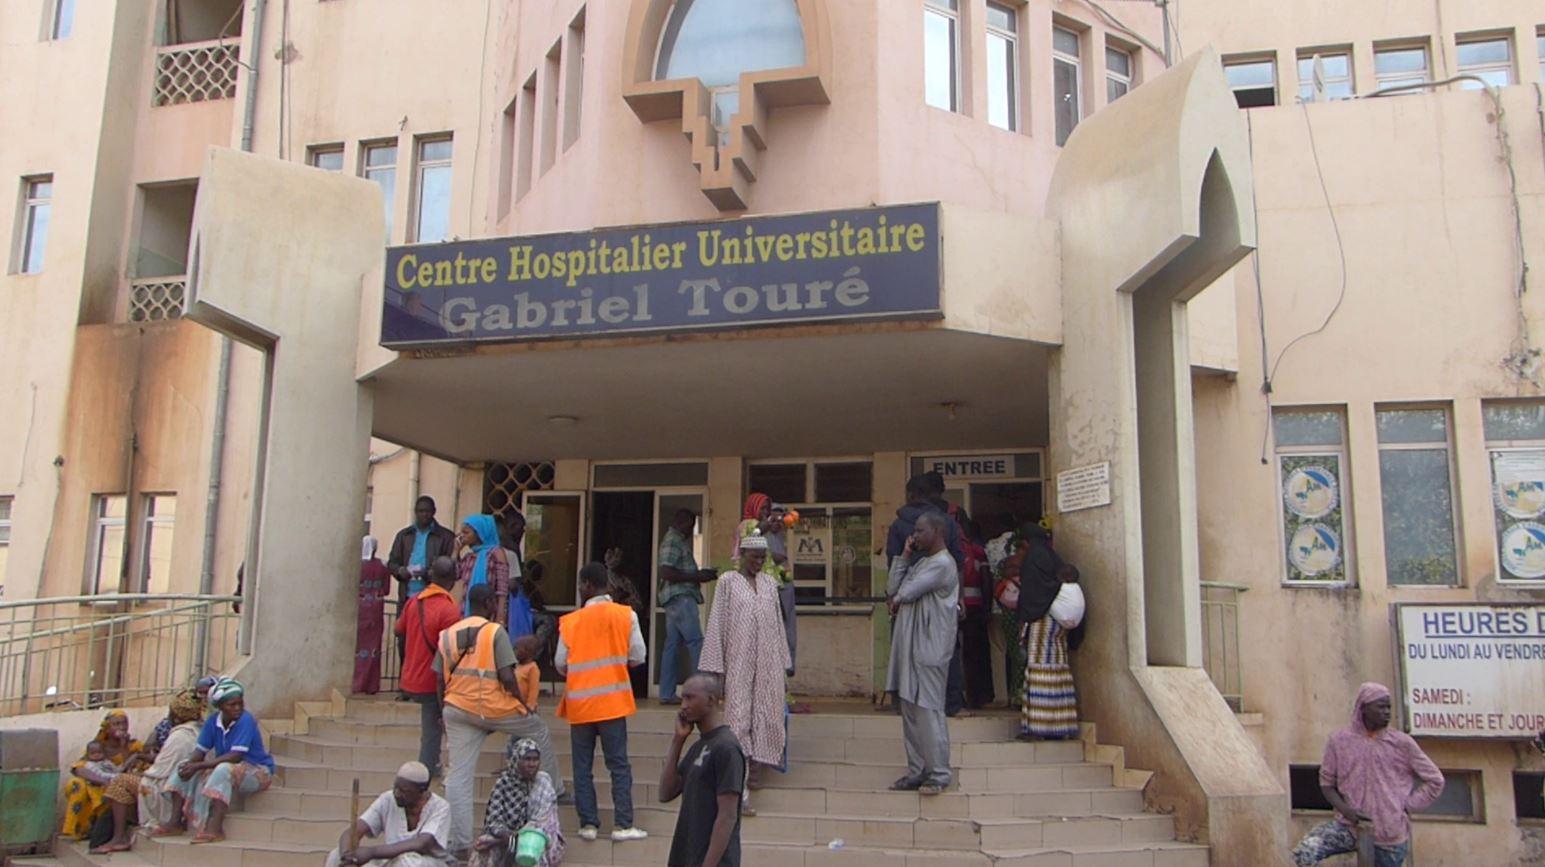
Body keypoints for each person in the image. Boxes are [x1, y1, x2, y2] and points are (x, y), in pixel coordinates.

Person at [438, 584, 564, 857]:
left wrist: (442, 712)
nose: (499, 606)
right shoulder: (495, 632)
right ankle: (556, 789)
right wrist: (522, 704)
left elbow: (439, 679)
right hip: (493, 707)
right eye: (496, 602)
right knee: (538, 729)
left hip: (456, 708)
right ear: (487, 604)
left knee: (458, 777)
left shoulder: (447, 634)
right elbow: (507, 676)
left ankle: (460, 843)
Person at [1291, 683, 1444, 867]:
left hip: (1389, 837)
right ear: (1363, 708)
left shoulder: (1402, 743)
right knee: (1305, 852)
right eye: (1381, 707)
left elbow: (1435, 780)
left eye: (1389, 707)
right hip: (1349, 828)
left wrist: (1406, 806)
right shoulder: (1339, 741)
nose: (1387, 712)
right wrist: (1347, 811)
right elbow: (1327, 783)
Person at [556, 562, 648, 842]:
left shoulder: (570, 621)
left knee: (582, 767)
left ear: (586, 585)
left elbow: (561, 664)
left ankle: (588, 824)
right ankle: (623, 824)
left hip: (580, 705)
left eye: (580, 584)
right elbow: (638, 655)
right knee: (618, 765)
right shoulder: (625, 615)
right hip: (612, 703)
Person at [699, 531, 789, 816]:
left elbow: (778, 625)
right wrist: (715, 670)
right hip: (738, 665)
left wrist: (783, 663)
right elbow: (717, 625)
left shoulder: (769, 584)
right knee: (737, 722)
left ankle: (755, 771)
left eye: (763, 558)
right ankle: (740, 794)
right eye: (754, 557)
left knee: (765, 717)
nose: (759, 562)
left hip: (767, 667)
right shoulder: (727, 583)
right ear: (742, 556)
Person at [884, 511, 959, 795]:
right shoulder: (922, 562)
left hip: (930, 648)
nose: (914, 536)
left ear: (936, 532)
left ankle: (938, 774)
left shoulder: (942, 564)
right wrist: (904, 554)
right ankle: (917, 772)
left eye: (919, 531)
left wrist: (897, 598)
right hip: (909, 647)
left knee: (928, 710)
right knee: (910, 710)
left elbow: (905, 592)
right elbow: (892, 587)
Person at [92, 691, 206, 853]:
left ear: (176, 715)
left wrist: (140, 772)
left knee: (120, 782)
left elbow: (160, 771)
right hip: (184, 787)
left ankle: (118, 839)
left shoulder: (180, 736)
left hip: (167, 789)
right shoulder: (199, 730)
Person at [173, 677, 275, 843]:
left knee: (223, 769)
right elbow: (199, 751)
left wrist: (198, 766)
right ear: (220, 706)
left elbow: (235, 756)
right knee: (183, 765)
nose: (237, 708)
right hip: (233, 768)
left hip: (258, 772)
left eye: (240, 703)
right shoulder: (213, 722)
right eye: (231, 705)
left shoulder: (246, 720)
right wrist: (190, 765)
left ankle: (215, 828)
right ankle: (174, 821)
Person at [662, 673, 745, 867]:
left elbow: (727, 816)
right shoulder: (699, 746)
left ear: (710, 700)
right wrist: (678, 740)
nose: (683, 706)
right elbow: (665, 793)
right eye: (682, 698)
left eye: (690, 698)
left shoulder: (726, 748)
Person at [395, 555, 463, 778]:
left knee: (431, 727)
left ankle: (430, 766)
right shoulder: (449, 610)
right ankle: (426, 771)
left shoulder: (414, 601)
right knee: (433, 730)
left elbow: (398, 629)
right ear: (452, 580)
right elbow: (453, 651)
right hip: (433, 680)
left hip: (411, 677)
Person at [1010, 524, 1078, 741]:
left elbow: (1031, 594)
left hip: (1041, 622)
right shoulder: (1051, 557)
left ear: (1027, 543)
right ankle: (1060, 726)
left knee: (1040, 674)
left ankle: (1039, 728)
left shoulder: (1033, 559)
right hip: (1056, 622)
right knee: (1057, 672)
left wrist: (1023, 620)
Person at [326, 761, 455, 866]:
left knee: (407, 863)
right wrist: (347, 857)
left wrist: (372, 852)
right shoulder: (388, 799)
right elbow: (354, 831)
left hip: (428, 862)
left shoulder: (440, 807)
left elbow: (421, 843)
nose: (397, 794)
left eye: (404, 791)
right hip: (390, 859)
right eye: (395, 788)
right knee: (335, 856)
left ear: (422, 791)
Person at [388, 497, 459, 680]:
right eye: (421, 511)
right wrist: (400, 571)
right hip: (408, 596)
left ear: (434, 512)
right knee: (404, 640)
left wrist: (428, 573)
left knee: (432, 641)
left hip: (432, 596)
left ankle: (432, 681)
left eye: (427, 511)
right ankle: (406, 681)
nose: (424, 515)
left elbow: (450, 568)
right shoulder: (404, 535)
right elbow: (392, 562)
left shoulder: (445, 536)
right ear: (415, 512)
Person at [470, 738, 566, 867]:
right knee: (483, 846)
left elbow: (541, 822)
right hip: (505, 835)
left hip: (536, 836)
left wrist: (515, 838)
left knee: (530, 849)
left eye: (535, 759)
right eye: (527, 759)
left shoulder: (543, 782)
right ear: (516, 760)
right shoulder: (503, 783)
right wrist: (504, 836)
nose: (532, 764)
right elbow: (493, 819)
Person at [61, 710, 149, 839]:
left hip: (122, 781)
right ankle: (79, 830)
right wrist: (103, 781)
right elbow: (78, 768)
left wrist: (124, 747)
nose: (122, 727)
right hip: (99, 781)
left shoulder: (134, 745)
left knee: (114, 788)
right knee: (77, 784)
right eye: (116, 724)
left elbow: (130, 770)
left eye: (124, 723)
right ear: (107, 728)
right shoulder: (97, 745)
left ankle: (101, 831)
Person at [658, 508, 712, 705]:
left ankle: (666, 693)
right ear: (684, 523)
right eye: (691, 526)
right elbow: (666, 572)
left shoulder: (676, 541)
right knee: (695, 643)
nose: (691, 531)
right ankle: (701, 693)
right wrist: (697, 576)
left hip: (675, 600)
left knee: (672, 646)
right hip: (681, 599)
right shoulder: (673, 540)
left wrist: (700, 574)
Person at [958, 519, 994, 709]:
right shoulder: (978, 551)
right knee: (975, 653)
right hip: (976, 606)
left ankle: (958, 695)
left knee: (955, 652)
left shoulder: (951, 551)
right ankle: (977, 697)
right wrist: (987, 607)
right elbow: (986, 580)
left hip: (954, 607)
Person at [458, 514, 512, 625]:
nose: (462, 536)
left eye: (466, 533)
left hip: (489, 615)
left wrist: (500, 617)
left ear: (479, 534)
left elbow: (502, 589)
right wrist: (456, 551)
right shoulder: (469, 557)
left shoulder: (496, 554)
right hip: (467, 612)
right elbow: (454, 575)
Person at [357, 536, 392, 694]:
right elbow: (386, 589)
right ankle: (371, 684)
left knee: (358, 648)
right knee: (374, 647)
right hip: (377, 610)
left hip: (360, 610)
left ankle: (357, 683)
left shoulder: (358, 566)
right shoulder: (383, 566)